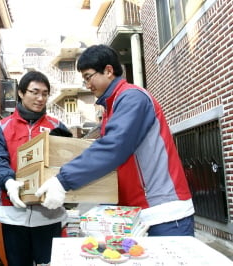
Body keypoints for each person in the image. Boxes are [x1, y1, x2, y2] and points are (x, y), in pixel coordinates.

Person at [36, 44, 195, 237]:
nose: (87, 85)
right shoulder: (112, 106)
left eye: (88, 77)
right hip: (138, 213)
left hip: (164, 212)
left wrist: (63, 180)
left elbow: (113, 147)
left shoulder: (132, 98)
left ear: (108, 70)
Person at [0, 71, 70, 266]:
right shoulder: (2, 127)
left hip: (48, 214)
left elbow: (68, 160)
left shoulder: (57, 126)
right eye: (34, 92)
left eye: (45, 93)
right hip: (13, 213)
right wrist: (8, 181)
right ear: (21, 93)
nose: (40, 98)